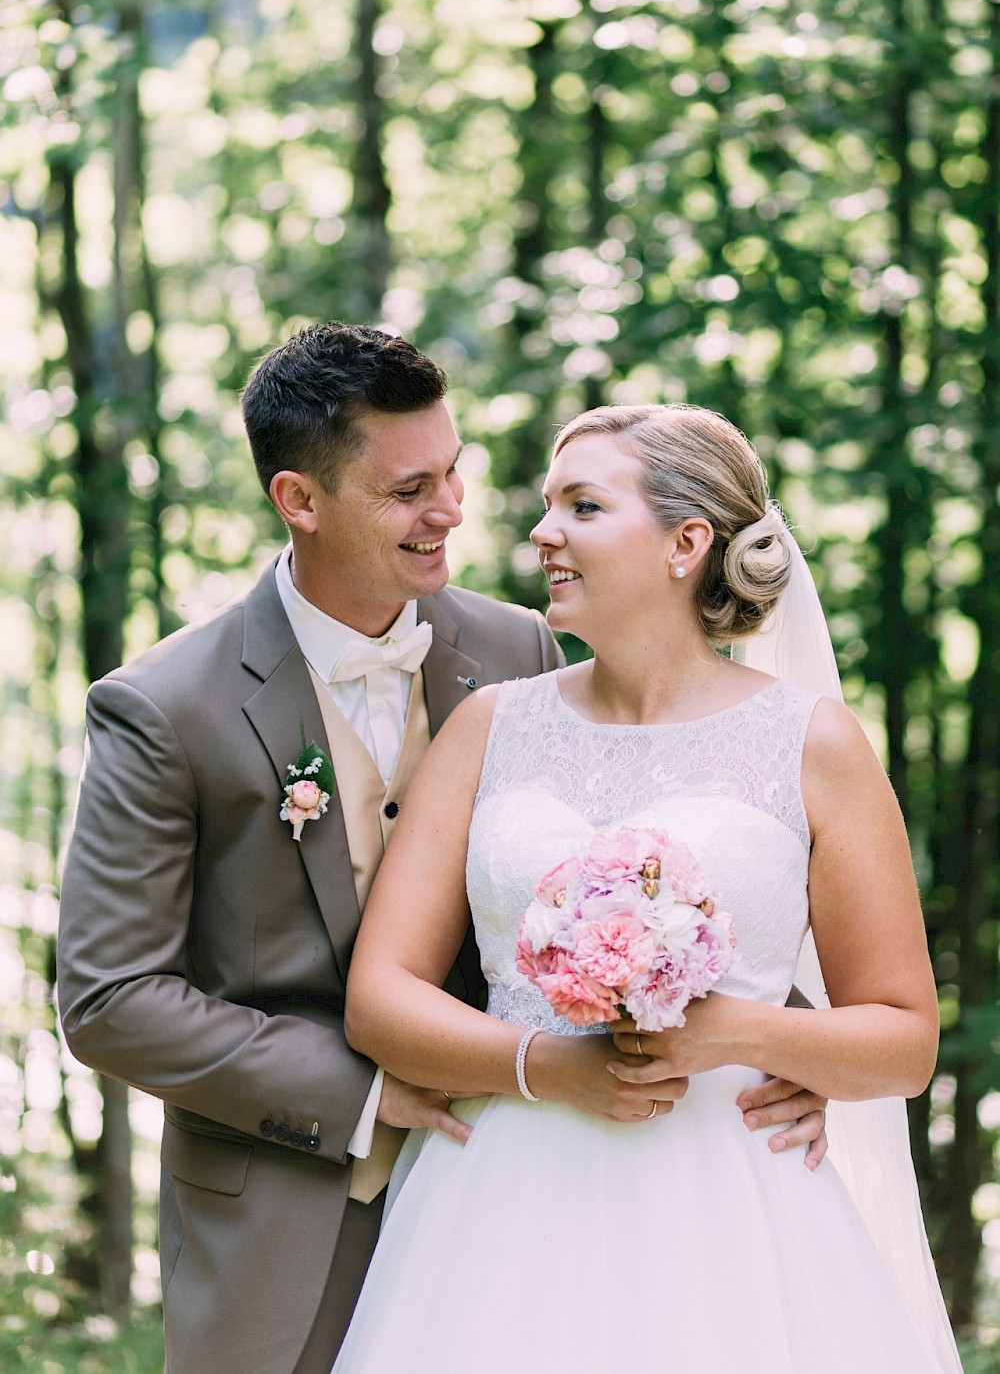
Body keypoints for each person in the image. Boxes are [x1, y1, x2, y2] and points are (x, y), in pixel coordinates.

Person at [56, 330, 826, 1374]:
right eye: (410, 488)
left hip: (540, 1191)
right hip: (283, 1209)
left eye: (453, 471)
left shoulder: (521, 650)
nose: (454, 509)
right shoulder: (165, 706)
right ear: (300, 499)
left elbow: (650, 845)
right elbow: (111, 998)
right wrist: (367, 1088)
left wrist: (767, 1034)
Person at [331, 402, 963, 1374]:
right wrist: (545, 1062)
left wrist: (735, 1033)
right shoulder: (490, 727)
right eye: (547, 506)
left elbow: (903, 1038)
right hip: (501, 1206)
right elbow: (380, 999)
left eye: (581, 506)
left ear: (685, 542)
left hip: (739, 1215)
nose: (542, 532)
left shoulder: (812, 742)